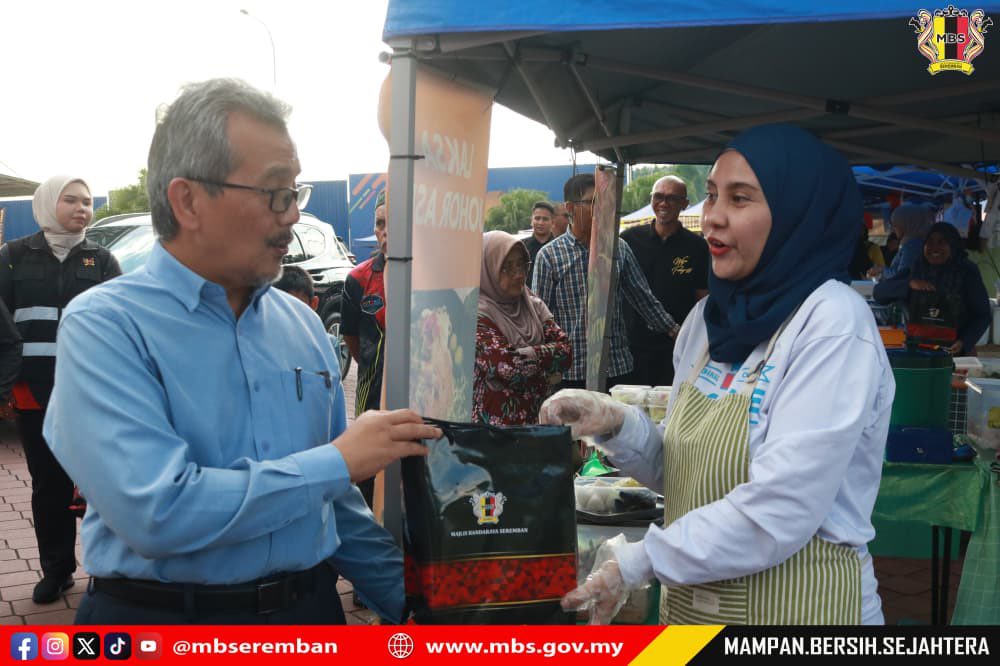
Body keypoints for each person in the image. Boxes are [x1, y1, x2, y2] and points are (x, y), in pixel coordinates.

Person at [43, 78, 440, 625]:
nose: (292, 215)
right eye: (275, 192)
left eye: (295, 193)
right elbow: (157, 511)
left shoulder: (302, 325)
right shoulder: (105, 326)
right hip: (166, 625)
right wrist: (339, 462)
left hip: (310, 614)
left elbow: (330, 501)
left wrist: (420, 607)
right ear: (188, 201)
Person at [541, 124, 894, 625]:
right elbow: (684, 473)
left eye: (740, 198)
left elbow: (780, 510)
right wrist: (617, 425)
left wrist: (640, 560)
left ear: (796, 212)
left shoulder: (832, 323)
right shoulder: (708, 322)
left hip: (802, 614)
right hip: (694, 616)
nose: (713, 217)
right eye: (710, 196)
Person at [0, 176, 121, 604]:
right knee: (48, 485)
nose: (81, 208)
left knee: (100, 484)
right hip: (34, 390)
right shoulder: (12, 256)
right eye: (70, 200)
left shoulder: (101, 259)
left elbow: (120, 323)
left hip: (91, 391)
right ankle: (57, 571)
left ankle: (107, 569)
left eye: (87, 201)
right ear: (48, 203)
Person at [532, 173, 679, 390]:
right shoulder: (549, 256)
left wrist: (675, 331)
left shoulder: (618, 248)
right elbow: (540, 317)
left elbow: (643, 298)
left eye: (605, 202)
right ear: (571, 208)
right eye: (592, 202)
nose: (601, 209)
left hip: (617, 367)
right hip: (573, 371)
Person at [473, 231, 571, 425]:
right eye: (507, 268)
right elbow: (509, 368)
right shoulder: (477, 316)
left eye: (521, 264)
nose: (518, 275)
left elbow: (566, 352)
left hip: (538, 423)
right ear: (488, 270)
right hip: (496, 431)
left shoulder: (531, 303)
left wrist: (529, 354)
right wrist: (549, 370)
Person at [620, 176, 709, 386]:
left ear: (684, 204)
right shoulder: (629, 240)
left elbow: (702, 299)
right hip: (632, 344)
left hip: (676, 345)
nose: (663, 203)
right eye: (658, 197)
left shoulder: (697, 246)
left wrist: (697, 341)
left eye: (672, 198)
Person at [873, 222, 990, 355]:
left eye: (942, 242)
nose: (935, 247)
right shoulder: (916, 268)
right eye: (930, 242)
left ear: (953, 245)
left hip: (955, 351)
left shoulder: (966, 271)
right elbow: (879, 293)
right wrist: (909, 285)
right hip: (917, 351)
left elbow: (982, 314)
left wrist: (964, 341)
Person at [340, 201, 387, 509]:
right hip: (372, 394)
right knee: (369, 473)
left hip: (424, 394)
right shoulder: (358, 279)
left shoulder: (429, 275)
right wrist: (374, 368)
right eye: (380, 223)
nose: (386, 231)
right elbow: (352, 338)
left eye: (393, 222)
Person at [868, 204, 933, 281]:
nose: (893, 229)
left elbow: (901, 275)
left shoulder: (912, 246)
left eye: (895, 225)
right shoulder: (912, 243)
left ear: (908, 224)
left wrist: (881, 269)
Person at [522, 201, 555, 289]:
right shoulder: (521, 247)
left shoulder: (559, 248)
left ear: (552, 222)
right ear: (531, 221)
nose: (540, 222)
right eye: (537, 218)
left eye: (545, 219)